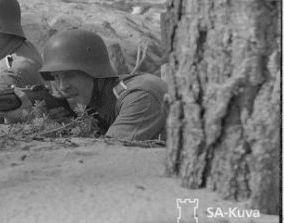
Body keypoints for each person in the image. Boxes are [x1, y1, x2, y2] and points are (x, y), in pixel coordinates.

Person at [9, 28, 168, 140]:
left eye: (70, 75)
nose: (62, 86)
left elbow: (110, 154)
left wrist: (38, 123)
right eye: (56, 77)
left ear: (94, 71)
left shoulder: (140, 96)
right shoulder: (94, 100)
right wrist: (60, 123)